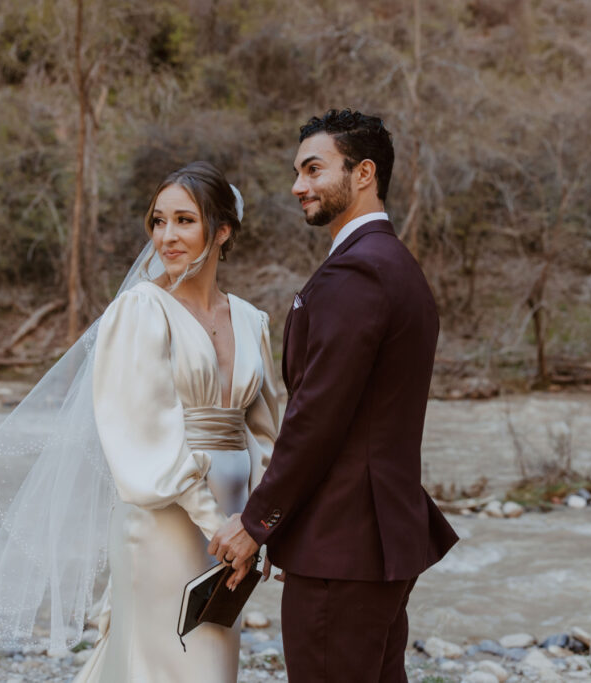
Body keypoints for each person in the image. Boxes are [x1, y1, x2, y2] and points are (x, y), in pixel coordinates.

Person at [0, 161, 279, 683]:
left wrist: (258, 526)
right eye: (158, 221)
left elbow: (265, 431)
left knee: (215, 666)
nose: (167, 236)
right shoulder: (140, 311)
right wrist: (213, 522)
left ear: (222, 231)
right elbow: (144, 431)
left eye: (184, 221)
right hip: (166, 520)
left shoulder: (251, 319)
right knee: (166, 664)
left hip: (235, 524)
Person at [209, 109, 459, 682]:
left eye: (314, 169)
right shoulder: (396, 266)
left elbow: (318, 417)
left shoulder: (359, 273)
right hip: (377, 541)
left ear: (364, 172)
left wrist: (256, 522)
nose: (298, 185)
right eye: (298, 171)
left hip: (343, 546)